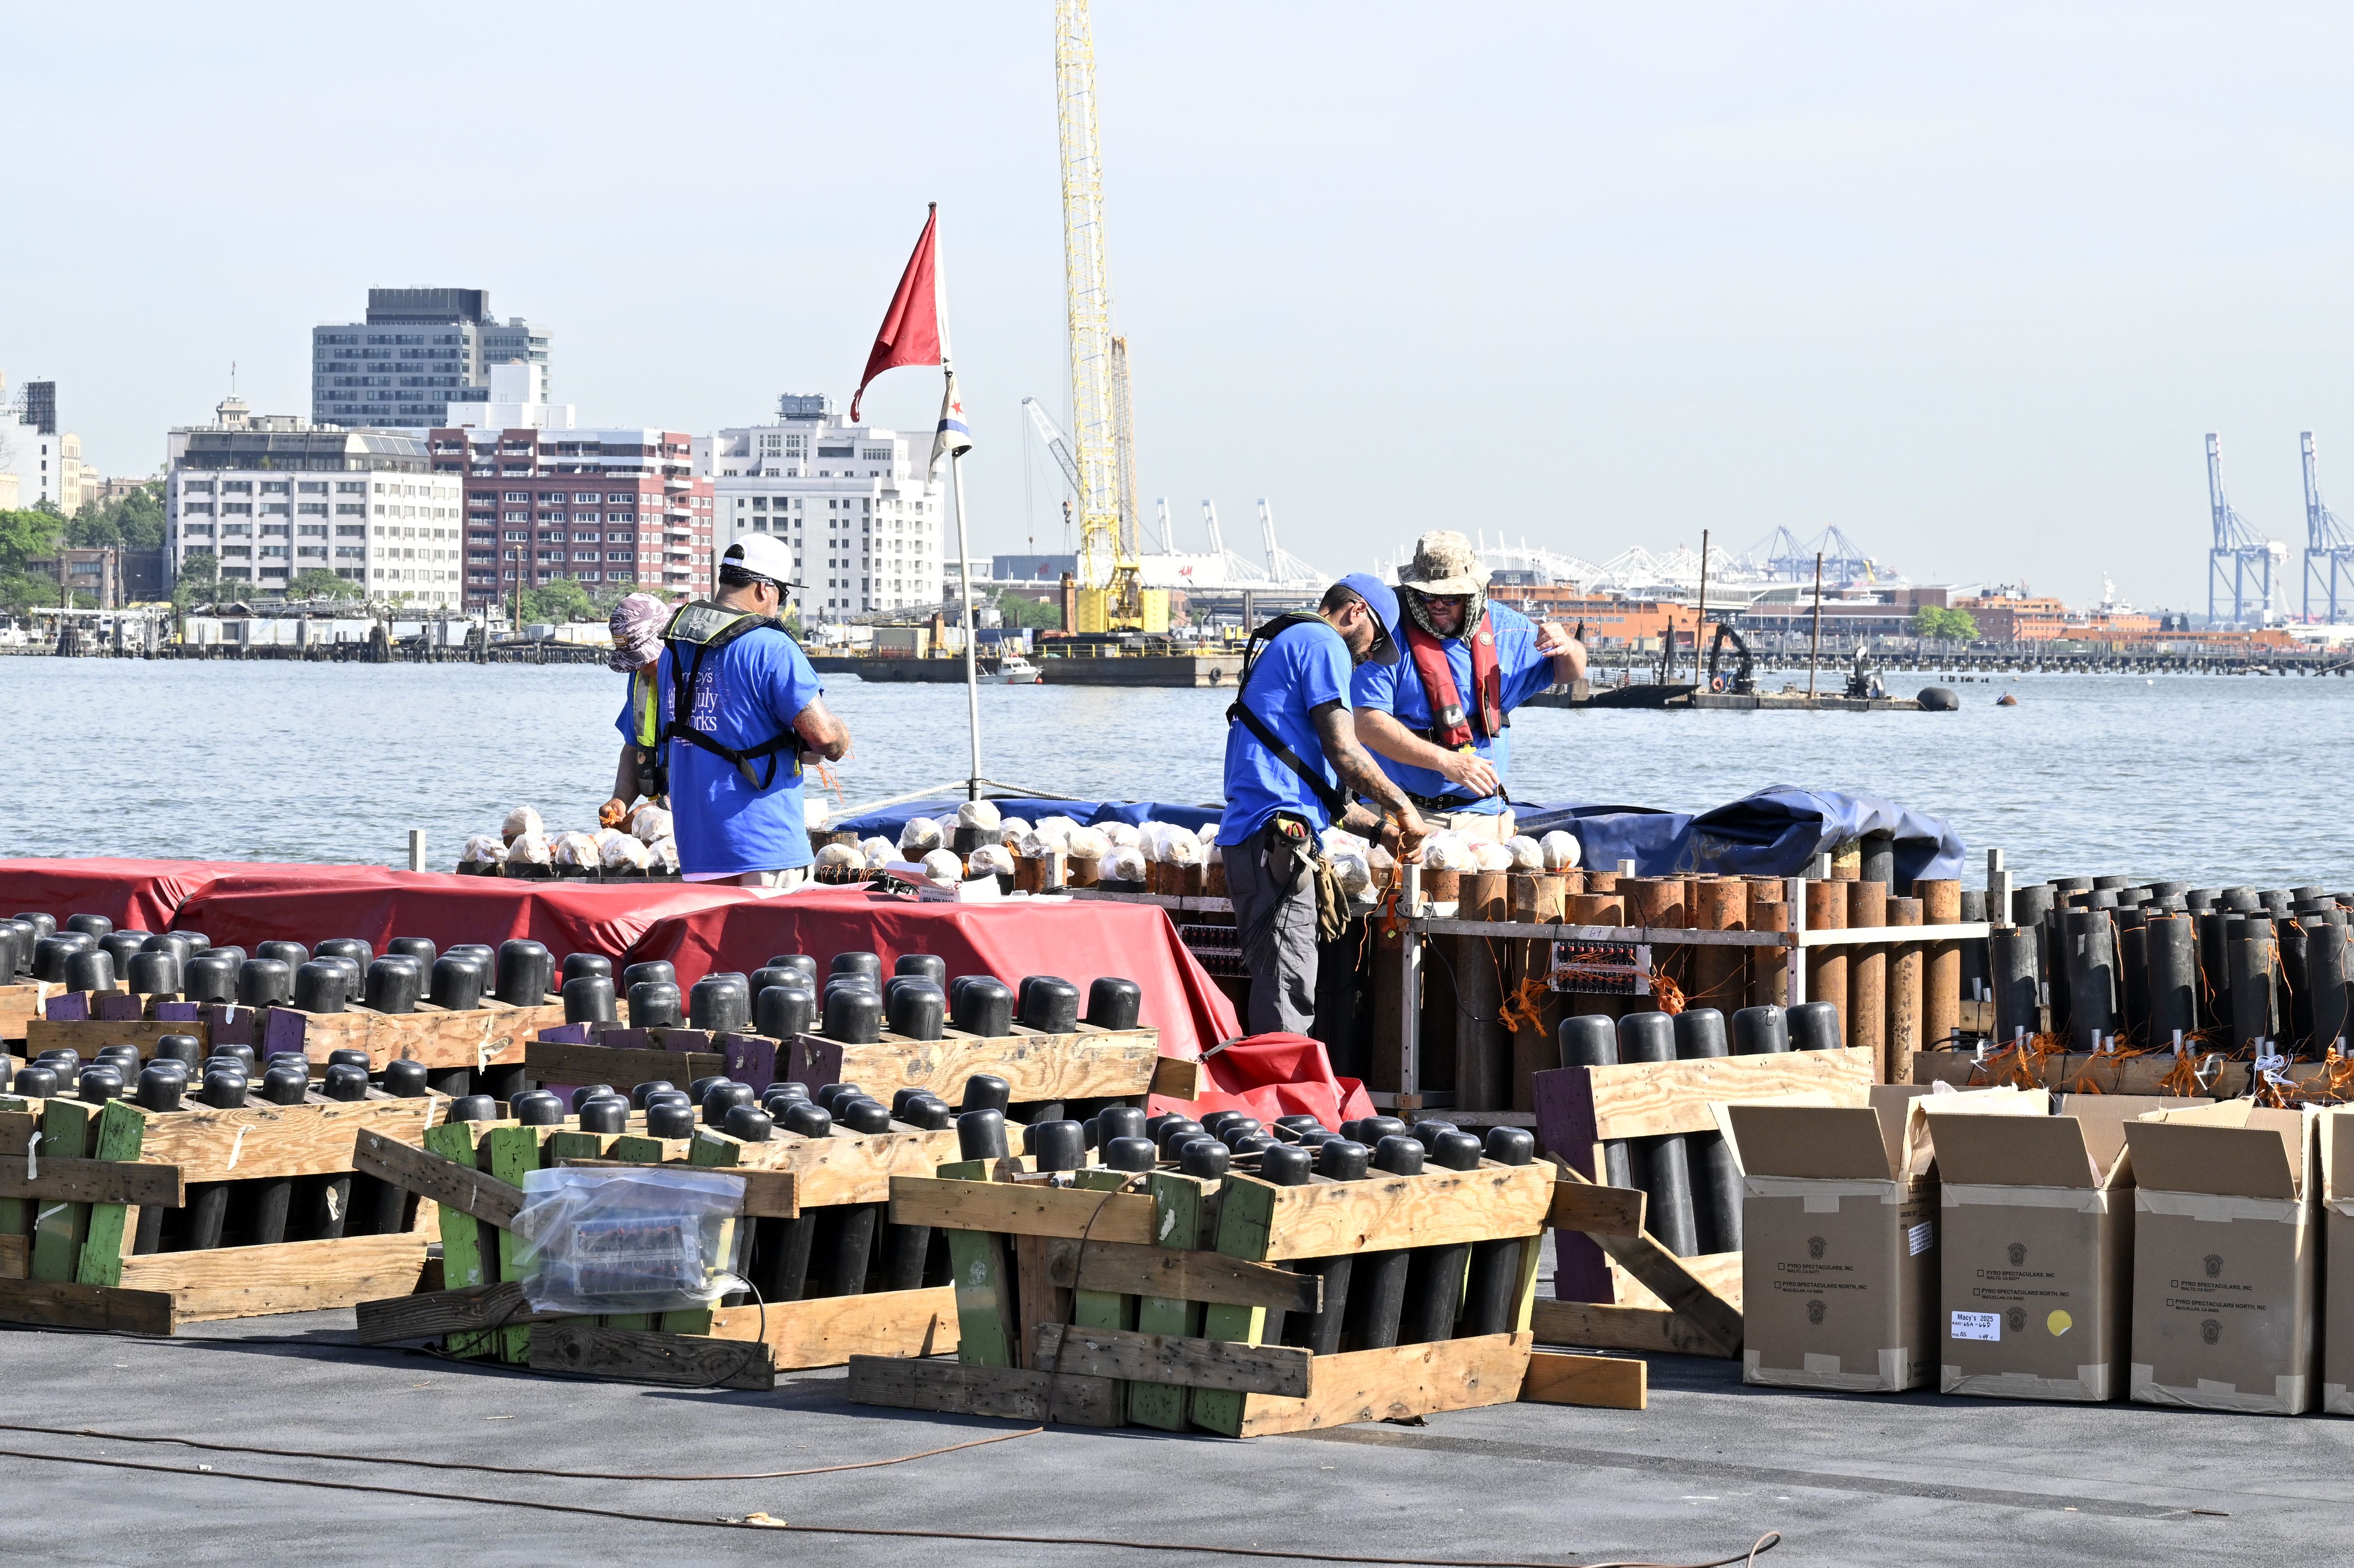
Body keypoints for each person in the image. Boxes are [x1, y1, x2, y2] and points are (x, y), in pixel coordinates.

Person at [1222, 573, 1428, 1036]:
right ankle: (1282, 1103)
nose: (1369, 656)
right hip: (1274, 840)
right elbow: (1345, 752)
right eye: (1374, 643)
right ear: (1355, 611)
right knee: (1288, 990)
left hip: (1257, 837)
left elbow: (1322, 790)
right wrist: (1404, 808)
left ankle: (1270, 1095)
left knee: (1280, 980)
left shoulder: (1293, 642)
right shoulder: (1322, 642)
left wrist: (1381, 832)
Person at [621, 536, 851, 887]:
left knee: (714, 943)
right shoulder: (771, 645)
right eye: (783, 594)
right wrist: (840, 738)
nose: (780, 605)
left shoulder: (672, 652)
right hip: (765, 848)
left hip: (697, 852)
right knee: (775, 943)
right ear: (764, 589)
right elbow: (823, 736)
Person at [1351, 530, 1587, 843]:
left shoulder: (1507, 630)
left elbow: (1570, 672)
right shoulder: (1386, 634)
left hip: (1483, 818)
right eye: (1426, 595)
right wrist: (1445, 761)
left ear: (1473, 592)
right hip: (1400, 815)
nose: (1437, 605)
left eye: (1450, 597)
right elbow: (1366, 723)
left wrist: (1568, 647)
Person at [599, 592, 671, 829]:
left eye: (644, 659)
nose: (639, 666)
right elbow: (634, 746)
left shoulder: (705, 677)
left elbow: (719, 771)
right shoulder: (640, 676)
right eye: (633, 661)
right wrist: (621, 799)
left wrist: (661, 808)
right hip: (664, 820)